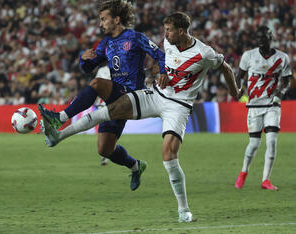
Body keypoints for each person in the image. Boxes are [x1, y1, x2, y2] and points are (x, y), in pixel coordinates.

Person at [39, 11, 240, 223]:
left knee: (169, 155)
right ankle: (58, 135)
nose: (165, 34)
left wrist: (235, 93)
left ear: (181, 32)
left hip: (178, 106)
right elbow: (165, 61)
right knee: (110, 110)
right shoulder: (167, 41)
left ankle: (184, 211)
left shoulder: (204, 53)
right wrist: (158, 70)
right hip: (156, 95)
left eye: (169, 30)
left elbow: (225, 67)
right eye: (165, 30)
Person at [38, 0, 167, 191]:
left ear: (116, 19)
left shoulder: (136, 37)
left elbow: (160, 54)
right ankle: (136, 166)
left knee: (98, 84)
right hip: (115, 96)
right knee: (104, 149)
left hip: (131, 95)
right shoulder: (106, 42)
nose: (100, 24)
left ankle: (60, 118)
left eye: (103, 19)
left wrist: (163, 71)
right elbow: (89, 68)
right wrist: (84, 59)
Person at [234, 26, 292, 190]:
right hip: (254, 105)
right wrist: (239, 92)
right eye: (257, 37)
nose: (260, 40)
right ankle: (244, 171)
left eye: (263, 37)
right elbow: (239, 76)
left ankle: (265, 180)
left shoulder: (282, 58)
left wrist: (279, 94)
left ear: (270, 37)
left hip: (272, 105)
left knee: (272, 141)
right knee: (254, 144)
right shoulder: (248, 56)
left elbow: (287, 80)